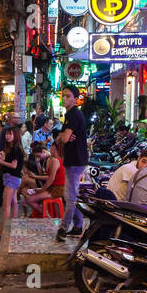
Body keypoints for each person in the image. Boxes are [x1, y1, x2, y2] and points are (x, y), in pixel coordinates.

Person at [55, 85, 89, 241]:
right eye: (64, 96)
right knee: (72, 194)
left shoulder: (74, 114)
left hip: (75, 160)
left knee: (70, 197)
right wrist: (62, 137)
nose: (65, 98)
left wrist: (63, 137)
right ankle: (77, 226)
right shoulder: (69, 114)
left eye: (68, 96)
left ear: (76, 98)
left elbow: (63, 138)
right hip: (74, 159)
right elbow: (61, 137)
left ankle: (63, 228)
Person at [0, 124, 25, 239]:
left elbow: (14, 166)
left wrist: (0, 161)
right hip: (12, 178)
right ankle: (12, 226)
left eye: (10, 134)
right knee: (14, 202)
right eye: (7, 134)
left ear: (15, 135)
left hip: (12, 178)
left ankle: (2, 232)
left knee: (6, 205)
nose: (7, 136)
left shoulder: (15, 148)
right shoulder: (12, 147)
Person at [22, 139, 65, 216]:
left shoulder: (55, 160)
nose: (49, 149)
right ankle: (47, 215)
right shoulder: (56, 159)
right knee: (29, 195)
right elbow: (48, 177)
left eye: (51, 147)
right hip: (54, 188)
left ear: (54, 148)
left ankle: (48, 218)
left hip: (57, 190)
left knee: (30, 199)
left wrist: (42, 189)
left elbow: (50, 179)